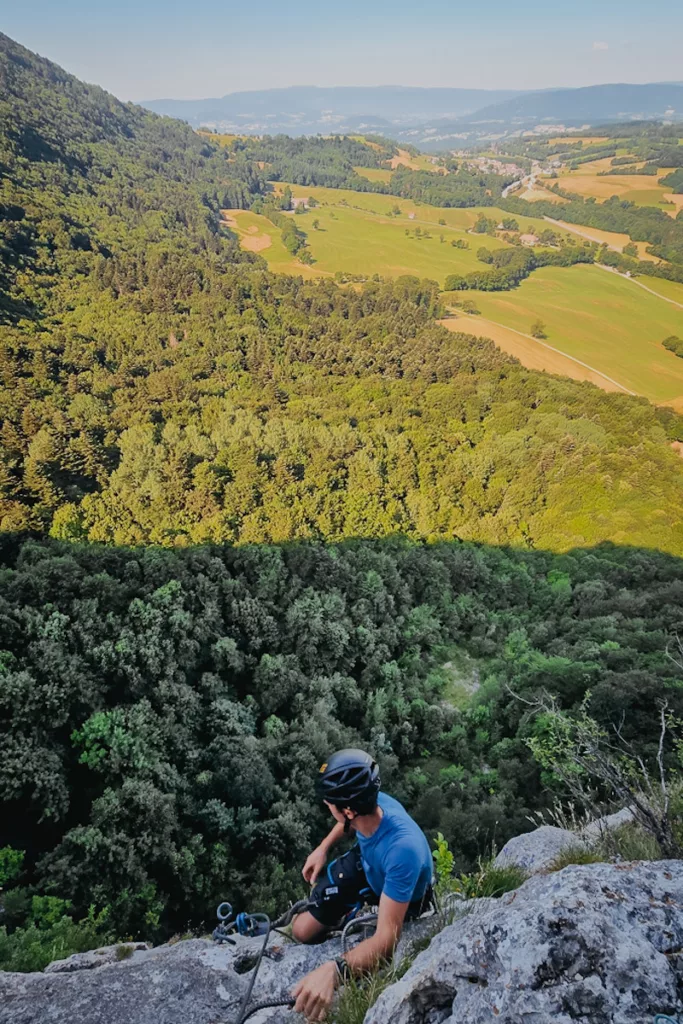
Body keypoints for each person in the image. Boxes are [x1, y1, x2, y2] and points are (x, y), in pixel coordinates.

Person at [291, 748, 433, 1020]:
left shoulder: (403, 850)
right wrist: (323, 848)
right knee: (301, 930)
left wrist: (334, 971)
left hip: (395, 889)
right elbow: (349, 821)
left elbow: (386, 940)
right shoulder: (373, 803)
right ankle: (345, 912)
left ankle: (351, 911)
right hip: (367, 863)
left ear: (347, 809)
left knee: (309, 928)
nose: (326, 806)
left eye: (329, 803)